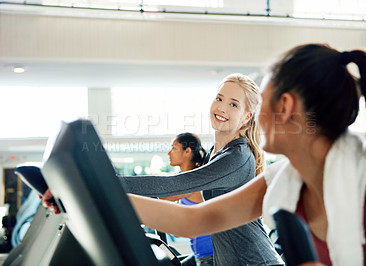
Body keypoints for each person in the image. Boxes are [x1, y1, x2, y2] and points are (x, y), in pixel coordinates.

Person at [127, 44, 366, 266]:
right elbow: (196, 220)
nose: (256, 117)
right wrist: (101, 191)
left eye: (261, 101)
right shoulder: (284, 179)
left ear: (285, 105)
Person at [43, 73, 284, 266]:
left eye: (234, 104)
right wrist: (86, 194)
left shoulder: (237, 157)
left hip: (254, 261)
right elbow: (171, 195)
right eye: (219, 98)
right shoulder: (216, 152)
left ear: (246, 117)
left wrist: (100, 183)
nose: (222, 107)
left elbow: (175, 185)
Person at [161, 132, 214, 266]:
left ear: (187, 151)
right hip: (200, 254)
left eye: (174, 148)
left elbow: (160, 198)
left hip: (209, 256)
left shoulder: (191, 182)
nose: (169, 153)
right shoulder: (186, 180)